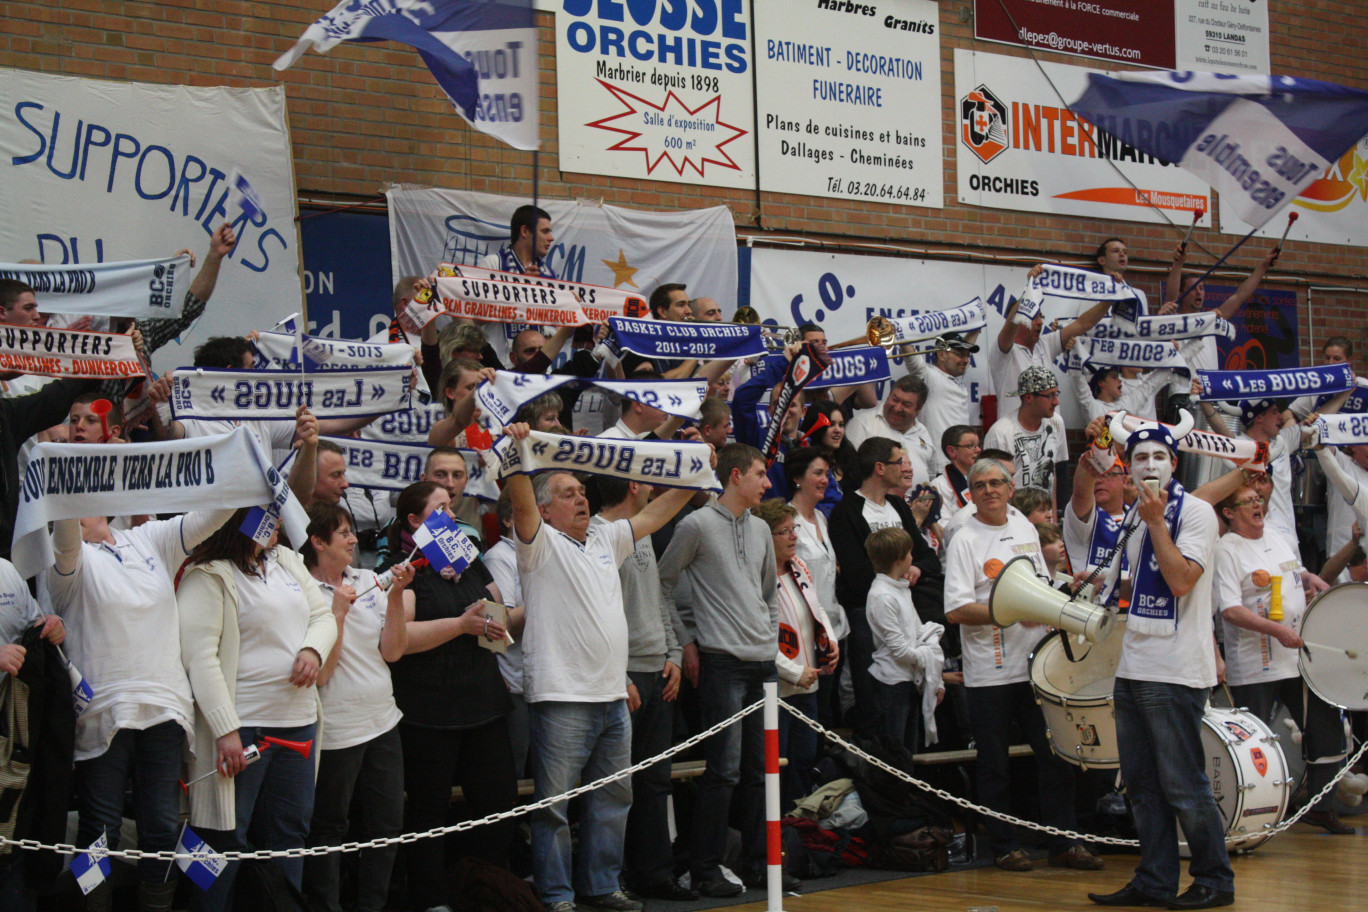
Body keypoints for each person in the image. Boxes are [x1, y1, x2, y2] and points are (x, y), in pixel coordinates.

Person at [504, 424, 696, 912]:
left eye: (582, 491)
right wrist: (519, 453)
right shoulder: (538, 543)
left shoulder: (606, 538)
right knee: (554, 809)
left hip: (612, 694)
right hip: (562, 696)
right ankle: (558, 895)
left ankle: (601, 886)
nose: (581, 499)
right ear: (547, 510)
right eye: (568, 494)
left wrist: (695, 471)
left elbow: (656, 511)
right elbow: (522, 502)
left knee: (614, 800)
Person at [46, 500, 235, 912]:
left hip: (165, 708)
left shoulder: (149, 538)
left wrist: (239, 468)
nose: (82, 506)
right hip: (103, 715)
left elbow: (212, 516)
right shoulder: (66, 562)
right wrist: (65, 486)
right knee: (98, 833)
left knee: (164, 828)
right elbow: (65, 541)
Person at [1088, 420, 1233, 910]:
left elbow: (1180, 582)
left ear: (1175, 464)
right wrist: (1097, 585)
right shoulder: (1131, 515)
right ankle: (1153, 880)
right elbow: (1141, 586)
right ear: (1129, 466)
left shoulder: (1196, 514)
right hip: (1134, 664)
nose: (1151, 466)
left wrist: (1155, 522)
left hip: (1175, 670)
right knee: (1142, 788)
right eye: (1142, 457)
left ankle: (1215, 880)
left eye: (1160, 457)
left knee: (1184, 785)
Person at [943, 458, 1099, 873]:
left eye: (997, 483)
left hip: (1037, 666)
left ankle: (1064, 842)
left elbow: (1040, 586)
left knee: (1057, 756)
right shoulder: (964, 539)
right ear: (970, 493)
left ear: (1010, 489)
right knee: (994, 764)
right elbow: (956, 609)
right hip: (989, 671)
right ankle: (1004, 846)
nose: (990, 490)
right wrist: (1008, 612)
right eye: (980, 485)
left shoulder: (1025, 527)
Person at [177, 510, 338, 912]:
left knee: (290, 836)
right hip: (241, 731)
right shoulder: (207, 575)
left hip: (299, 726)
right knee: (222, 839)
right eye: (267, 513)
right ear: (238, 519)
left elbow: (323, 616)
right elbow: (199, 658)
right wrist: (225, 729)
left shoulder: (286, 560)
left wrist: (312, 649)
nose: (278, 520)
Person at [657, 443, 795, 898]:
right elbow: (663, 581)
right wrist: (685, 642)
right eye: (760, 474)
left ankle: (758, 863)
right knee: (725, 771)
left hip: (762, 663)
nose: (767, 482)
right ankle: (705, 868)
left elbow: (768, 592)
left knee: (761, 770)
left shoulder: (759, 529)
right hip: (721, 663)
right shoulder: (695, 524)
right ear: (735, 475)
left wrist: (769, 638)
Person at [382, 481, 518, 910]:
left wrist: (498, 626)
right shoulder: (402, 569)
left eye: (452, 507)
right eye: (440, 508)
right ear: (415, 521)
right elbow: (398, 642)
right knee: (428, 814)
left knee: (498, 806)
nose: (451, 514)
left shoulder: (469, 558)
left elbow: (496, 617)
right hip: (428, 712)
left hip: (485, 704)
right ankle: (431, 900)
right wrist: (460, 625)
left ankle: (492, 894)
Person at [1210, 486, 1348, 833]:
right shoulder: (1227, 550)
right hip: (1256, 665)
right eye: (1249, 501)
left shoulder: (1275, 534)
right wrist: (1275, 630)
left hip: (1299, 657)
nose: (1259, 504)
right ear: (1229, 512)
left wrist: (1311, 578)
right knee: (1252, 742)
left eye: (1259, 499)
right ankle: (1248, 814)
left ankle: (1320, 805)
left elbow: (1294, 571)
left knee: (1326, 729)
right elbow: (1230, 610)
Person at [299, 505, 413, 912]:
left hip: (383, 720)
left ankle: (373, 906)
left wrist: (397, 594)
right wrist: (338, 617)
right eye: (344, 533)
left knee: (387, 824)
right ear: (317, 542)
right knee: (330, 827)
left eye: (351, 532)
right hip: (336, 730)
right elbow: (323, 675)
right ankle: (326, 906)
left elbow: (394, 651)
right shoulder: (301, 591)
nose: (353, 540)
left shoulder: (367, 580)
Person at [588, 475, 695, 901]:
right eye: (644, 482)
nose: (651, 487)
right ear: (631, 486)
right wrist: (622, 675)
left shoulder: (645, 532)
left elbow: (657, 599)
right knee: (618, 784)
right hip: (625, 674)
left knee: (656, 780)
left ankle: (656, 874)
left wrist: (672, 653)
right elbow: (596, 612)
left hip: (658, 667)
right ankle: (614, 878)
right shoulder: (599, 535)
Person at [828, 437, 943, 740]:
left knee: (907, 700)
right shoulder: (846, 511)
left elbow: (927, 556)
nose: (906, 468)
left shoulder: (897, 506)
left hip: (907, 610)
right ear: (880, 468)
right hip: (867, 614)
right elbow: (854, 574)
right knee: (874, 697)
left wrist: (914, 568)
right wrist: (899, 576)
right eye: (899, 462)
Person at [753, 498, 838, 807]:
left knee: (804, 761)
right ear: (764, 536)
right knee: (778, 766)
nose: (793, 537)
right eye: (784, 531)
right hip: (778, 688)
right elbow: (758, 636)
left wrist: (830, 642)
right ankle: (778, 837)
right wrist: (791, 671)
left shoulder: (798, 566)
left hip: (809, 683)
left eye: (793, 529)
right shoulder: (756, 575)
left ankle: (801, 832)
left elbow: (817, 610)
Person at [991, 267, 1113, 424]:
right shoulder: (1004, 351)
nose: (1041, 322)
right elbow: (1011, 323)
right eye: (1034, 317)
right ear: (1020, 319)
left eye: (1041, 317)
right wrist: (1029, 290)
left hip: (1049, 434)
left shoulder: (1045, 344)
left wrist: (1110, 299)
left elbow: (1083, 324)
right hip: (1014, 436)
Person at [865, 526, 944, 753]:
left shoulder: (900, 589)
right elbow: (899, 650)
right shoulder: (881, 595)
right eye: (910, 553)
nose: (913, 557)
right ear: (900, 559)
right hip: (891, 684)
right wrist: (929, 658)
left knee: (910, 749)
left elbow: (919, 632)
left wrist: (936, 678)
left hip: (908, 680)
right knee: (895, 753)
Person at [786, 446, 849, 727]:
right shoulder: (787, 521)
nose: (825, 479)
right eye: (818, 473)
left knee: (829, 708)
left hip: (835, 625)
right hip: (807, 631)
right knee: (811, 711)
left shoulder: (821, 518)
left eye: (827, 474)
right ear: (798, 477)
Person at [984, 365, 1068, 509]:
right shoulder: (1001, 432)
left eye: (1056, 394)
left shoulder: (1056, 422)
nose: (1056, 402)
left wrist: (1053, 520)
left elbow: (1053, 475)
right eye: (1049, 396)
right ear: (1029, 397)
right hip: (1014, 517)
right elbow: (992, 485)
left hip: (1044, 517)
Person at [902, 332, 980, 474]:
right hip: (939, 467)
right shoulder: (929, 376)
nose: (965, 360)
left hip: (962, 465)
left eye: (967, 355)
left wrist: (976, 326)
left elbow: (967, 346)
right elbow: (912, 360)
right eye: (959, 354)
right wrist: (900, 334)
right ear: (942, 355)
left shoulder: (957, 379)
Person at [844, 375, 936, 487]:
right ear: (888, 396)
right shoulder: (862, 424)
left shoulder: (922, 431)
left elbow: (931, 474)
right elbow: (850, 472)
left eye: (906, 404)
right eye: (895, 400)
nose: (897, 408)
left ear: (918, 409)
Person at [797, 399, 855, 515]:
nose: (838, 430)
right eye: (831, 424)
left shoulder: (851, 458)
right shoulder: (804, 461)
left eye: (841, 425)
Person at [479, 204, 555, 277]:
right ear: (524, 231)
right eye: (545, 231)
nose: (551, 238)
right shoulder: (492, 264)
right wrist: (521, 284)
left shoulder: (549, 274)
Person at [932, 425, 980, 525]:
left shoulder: (983, 478)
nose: (978, 450)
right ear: (952, 451)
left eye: (978, 445)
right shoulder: (939, 485)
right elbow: (944, 526)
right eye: (971, 446)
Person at [309, 439, 350, 508]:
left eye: (344, 474)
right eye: (335, 475)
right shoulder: (287, 516)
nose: (345, 484)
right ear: (309, 476)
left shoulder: (339, 517)